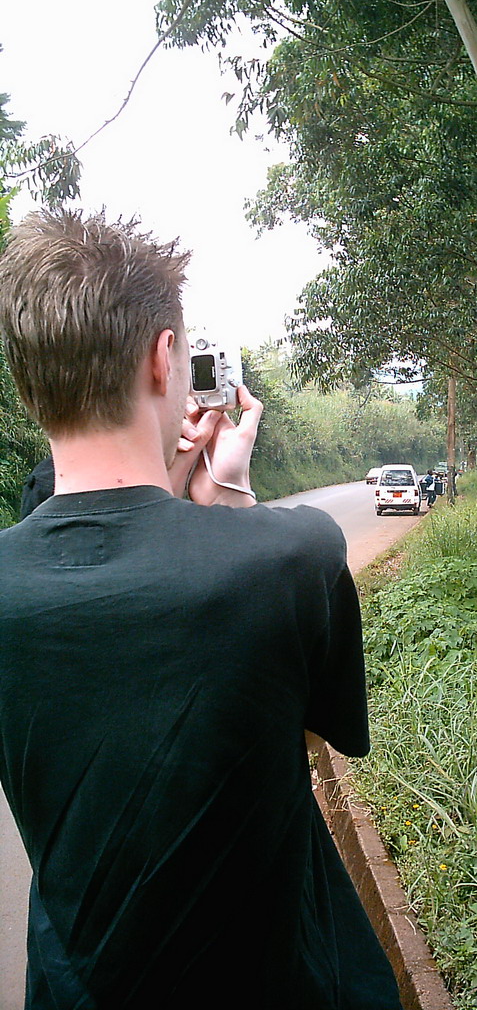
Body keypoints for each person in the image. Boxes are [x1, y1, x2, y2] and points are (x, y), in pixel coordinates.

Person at [0, 211, 403, 1010]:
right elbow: (320, 732)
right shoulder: (291, 560)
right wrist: (225, 498)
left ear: (25, 381)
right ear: (163, 359)